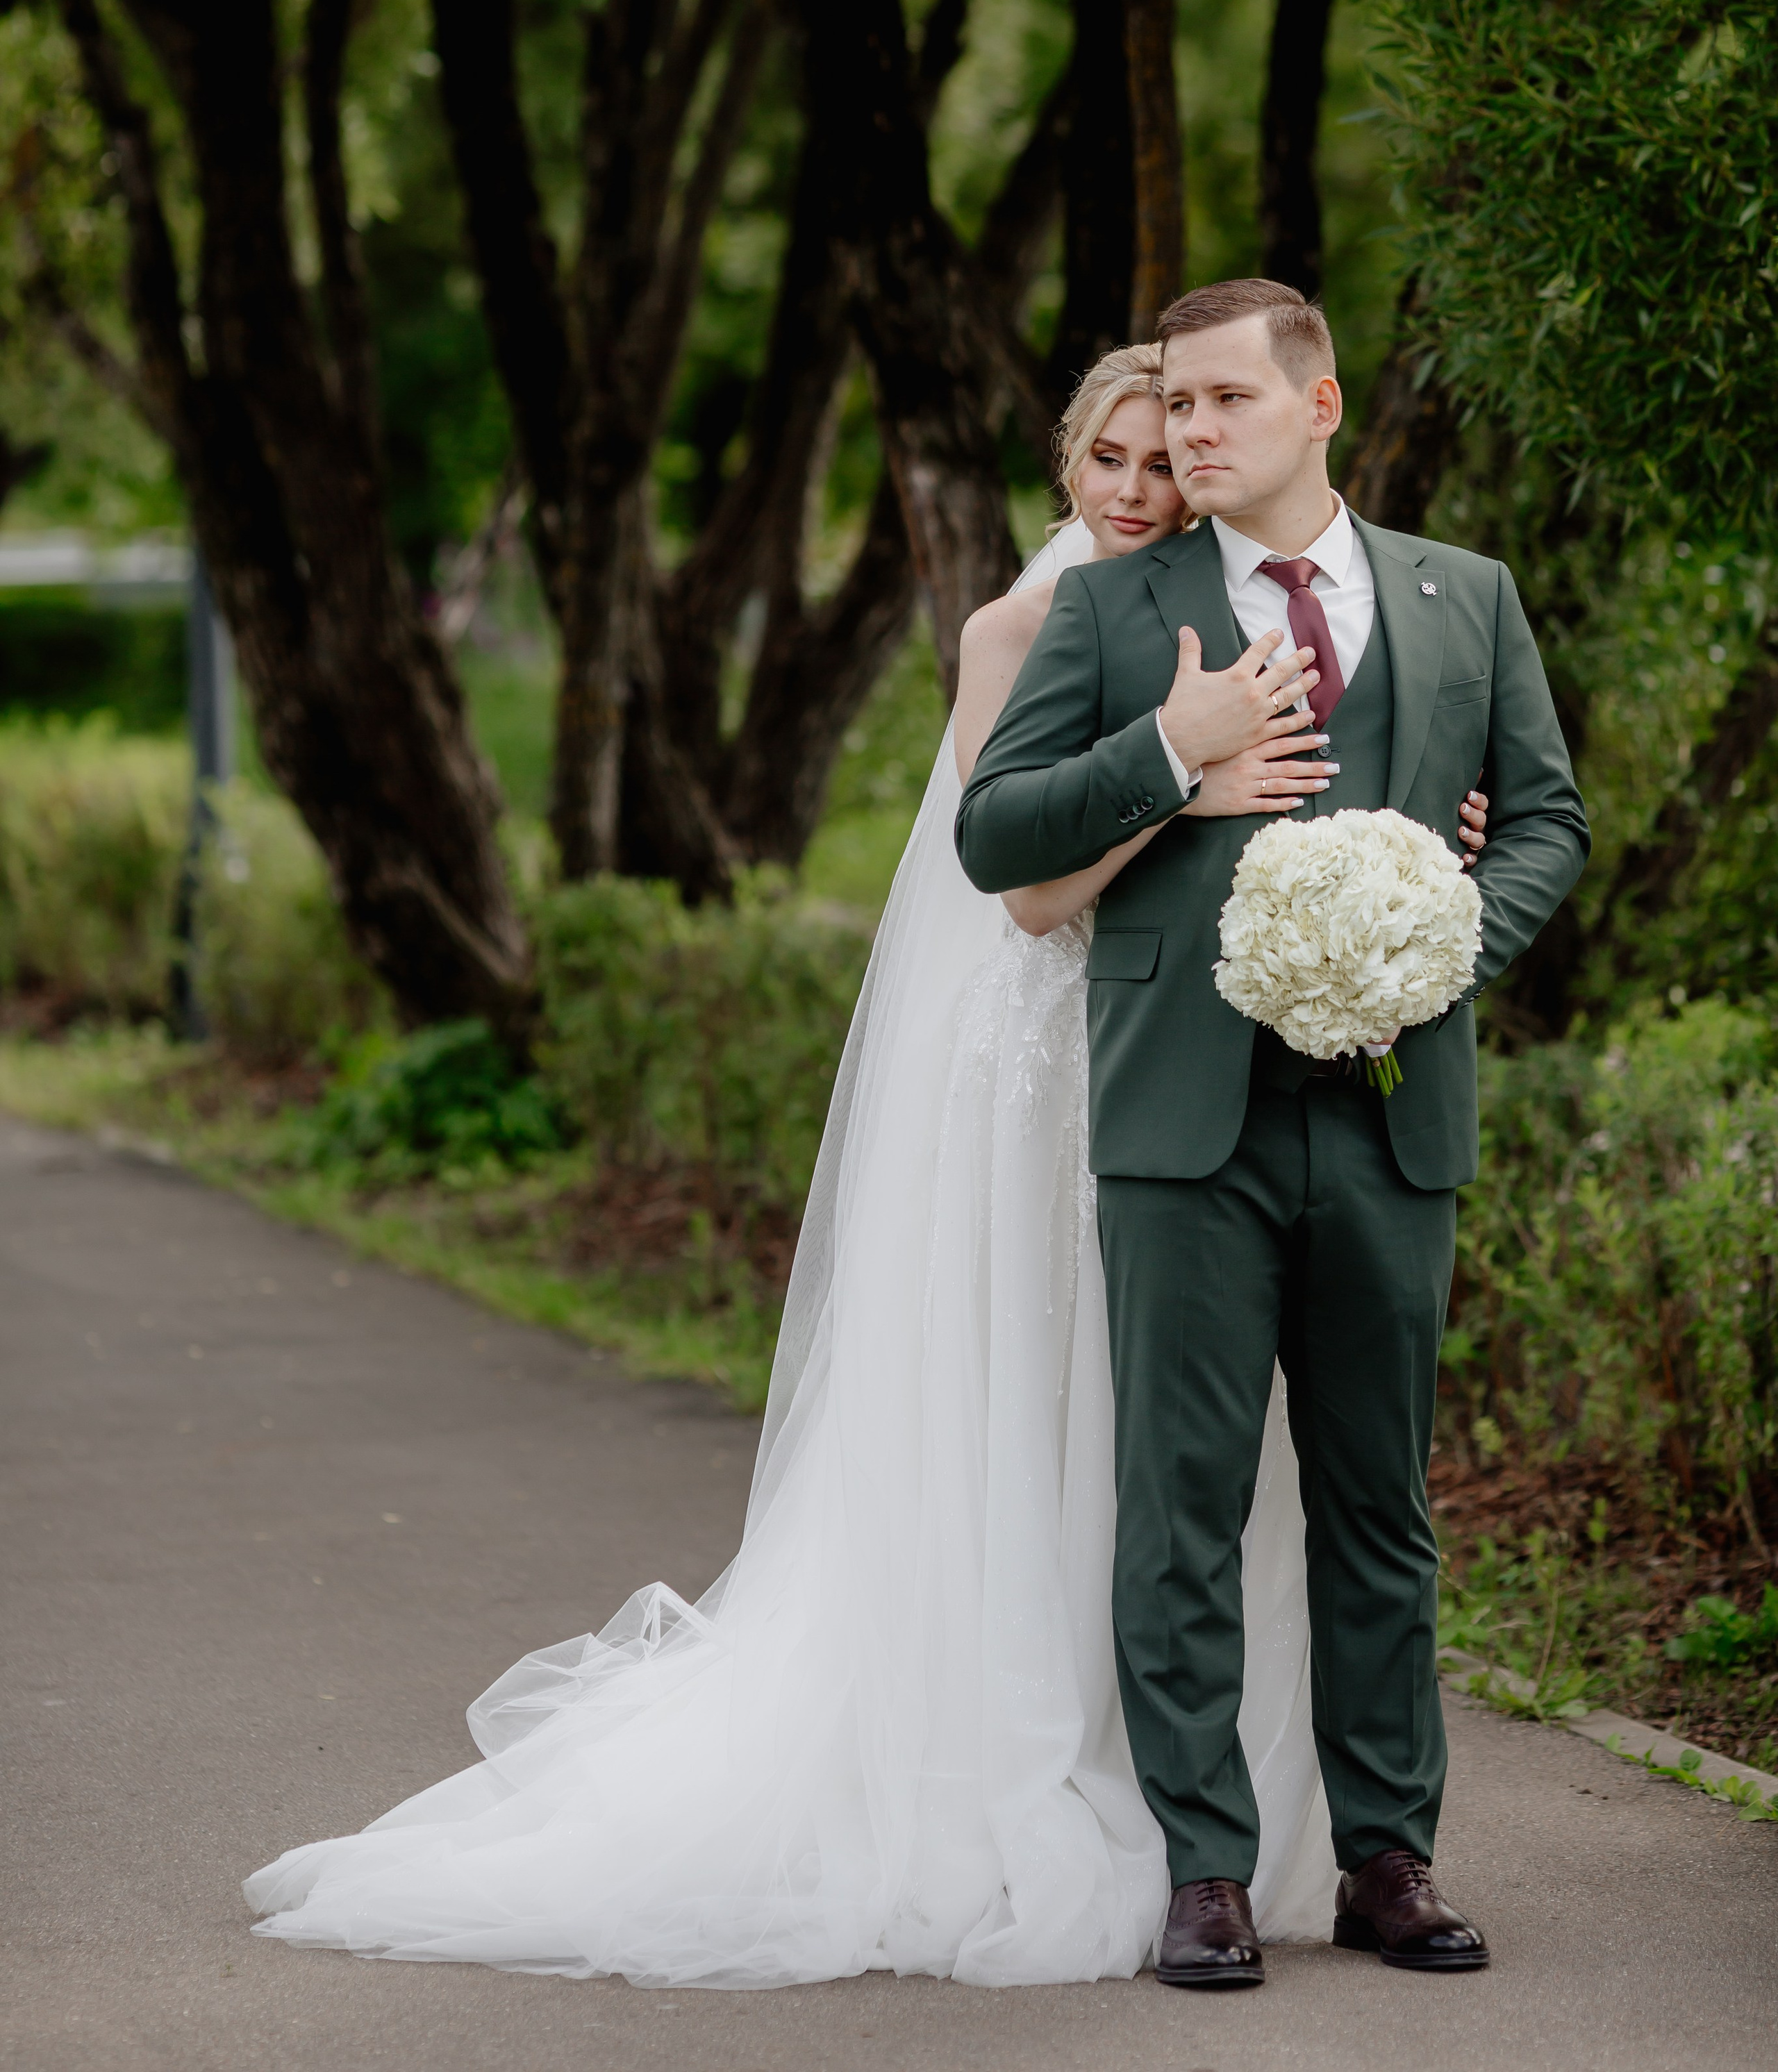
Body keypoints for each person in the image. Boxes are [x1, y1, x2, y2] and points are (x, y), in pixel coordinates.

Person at [244, 344, 1488, 1987]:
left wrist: (1420, 851)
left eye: (1166, 451)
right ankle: (1091, 1799)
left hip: (1239, 1083)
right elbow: (1022, 885)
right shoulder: (1035, 624)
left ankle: (1278, 1820)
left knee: (1234, 1477)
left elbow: (1340, 799)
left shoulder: (1277, 595)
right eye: (1109, 455)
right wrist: (1183, 771)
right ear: (1062, 466)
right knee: (1076, 1455)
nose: (1138, 482)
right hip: (1064, 1083)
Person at [957, 281, 1588, 1990]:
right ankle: (1204, 1873)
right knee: (1181, 1506)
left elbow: (1543, 820)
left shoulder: (1465, 598)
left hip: (1392, 1117)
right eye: (1170, 402)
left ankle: (1389, 1861)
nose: (1185, 433)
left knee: (1378, 1505)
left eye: (1223, 398)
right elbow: (994, 839)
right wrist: (1168, 745)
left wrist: (1444, 925)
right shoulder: (1109, 603)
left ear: (1318, 406)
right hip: (1183, 1117)